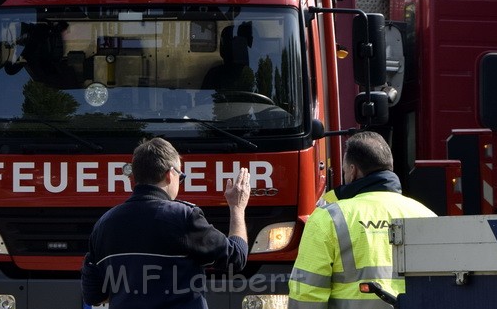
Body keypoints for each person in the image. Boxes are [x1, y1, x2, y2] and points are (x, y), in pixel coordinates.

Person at [81, 137, 250, 309]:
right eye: (181, 177)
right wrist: (237, 207)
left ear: (133, 178)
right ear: (170, 175)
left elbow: (93, 295)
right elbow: (236, 258)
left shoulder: (104, 224)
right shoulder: (184, 217)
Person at [288, 131, 435, 307]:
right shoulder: (426, 215)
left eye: (344, 170)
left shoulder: (328, 218)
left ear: (352, 171)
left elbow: (307, 293)